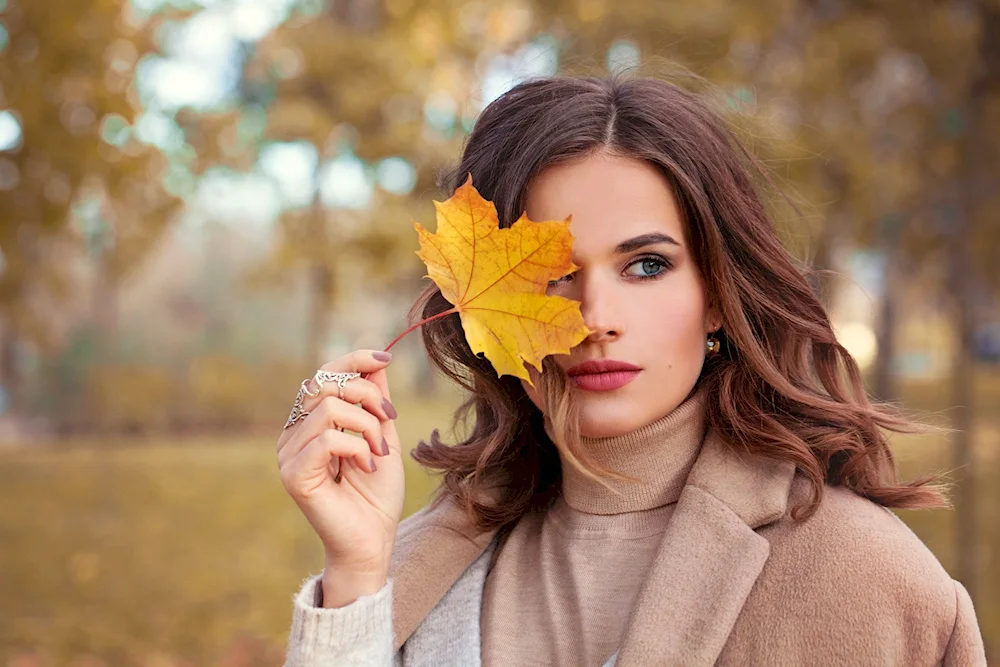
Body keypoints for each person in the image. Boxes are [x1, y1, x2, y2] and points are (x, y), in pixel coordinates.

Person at [276, 73, 988, 667]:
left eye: (647, 264)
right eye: (553, 274)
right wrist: (355, 582)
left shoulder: (871, 583)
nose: (594, 315)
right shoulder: (408, 569)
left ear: (716, 296)